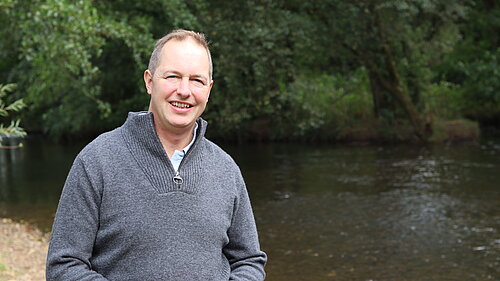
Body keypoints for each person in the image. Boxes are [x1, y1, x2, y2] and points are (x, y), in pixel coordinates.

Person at [46, 29, 267, 281]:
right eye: (173, 76)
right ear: (149, 81)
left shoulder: (226, 169)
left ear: (209, 89)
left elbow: (248, 261)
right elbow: (64, 266)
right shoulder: (97, 161)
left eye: (196, 80)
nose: (184, 91)